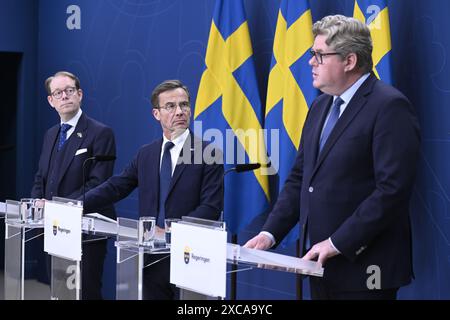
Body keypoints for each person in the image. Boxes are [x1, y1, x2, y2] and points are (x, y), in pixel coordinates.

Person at [245, 15, 421, 300]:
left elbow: (392, 191)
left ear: (349, 61)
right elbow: (301, 178)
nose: (310, 62)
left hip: (365, 269)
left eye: (319, 55)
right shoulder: (320, 105)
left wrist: (336, 242)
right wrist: (270, 234)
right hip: (318, 264)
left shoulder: (389, 106)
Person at [83, 79, 223, 299]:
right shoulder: (146, 154)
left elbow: (210, 208)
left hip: (192, 257)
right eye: (170, 106)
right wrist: (76, 205)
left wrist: (171, 232)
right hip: (151, 259)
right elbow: (116, 187)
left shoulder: (209, 153)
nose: (180, 111)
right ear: (156, 114)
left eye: (184, 105)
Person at [31, 71, 116, 300]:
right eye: (58, 93)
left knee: (85, 292)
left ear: (80, 94)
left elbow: (99, 184)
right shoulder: (51, 134)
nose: (64, 96)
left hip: (86, 230)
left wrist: (58, 207)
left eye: (69, 91)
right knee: (60, 292)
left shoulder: (100, 133)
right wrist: (37, 204)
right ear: (51, 101)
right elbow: (41, 177)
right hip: (54, 228)